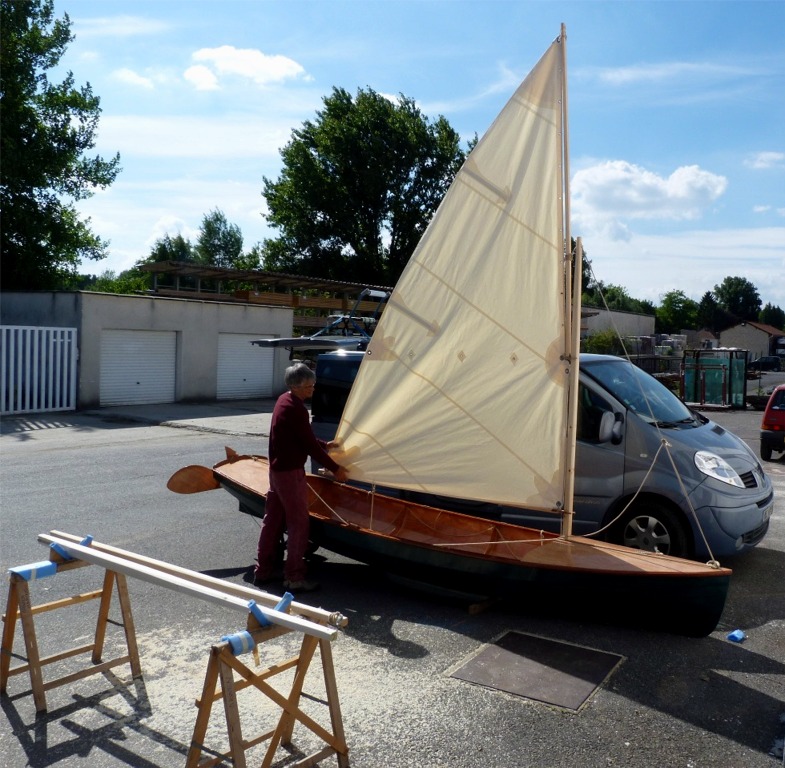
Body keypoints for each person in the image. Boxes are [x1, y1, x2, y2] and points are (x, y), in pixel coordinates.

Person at [254, 362, 348, 593]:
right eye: (309, 385)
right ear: (295, 386)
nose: (313, 389)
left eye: (313, 385)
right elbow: (308, 445)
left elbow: (300, 437)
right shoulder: (296, 408)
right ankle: (294, 577)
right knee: (298, 523)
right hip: (289, 473)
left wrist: (326, 445)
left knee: (273, 520)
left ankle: (264, 571)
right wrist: (336, 469)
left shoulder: (283, 400)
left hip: (276, 471)